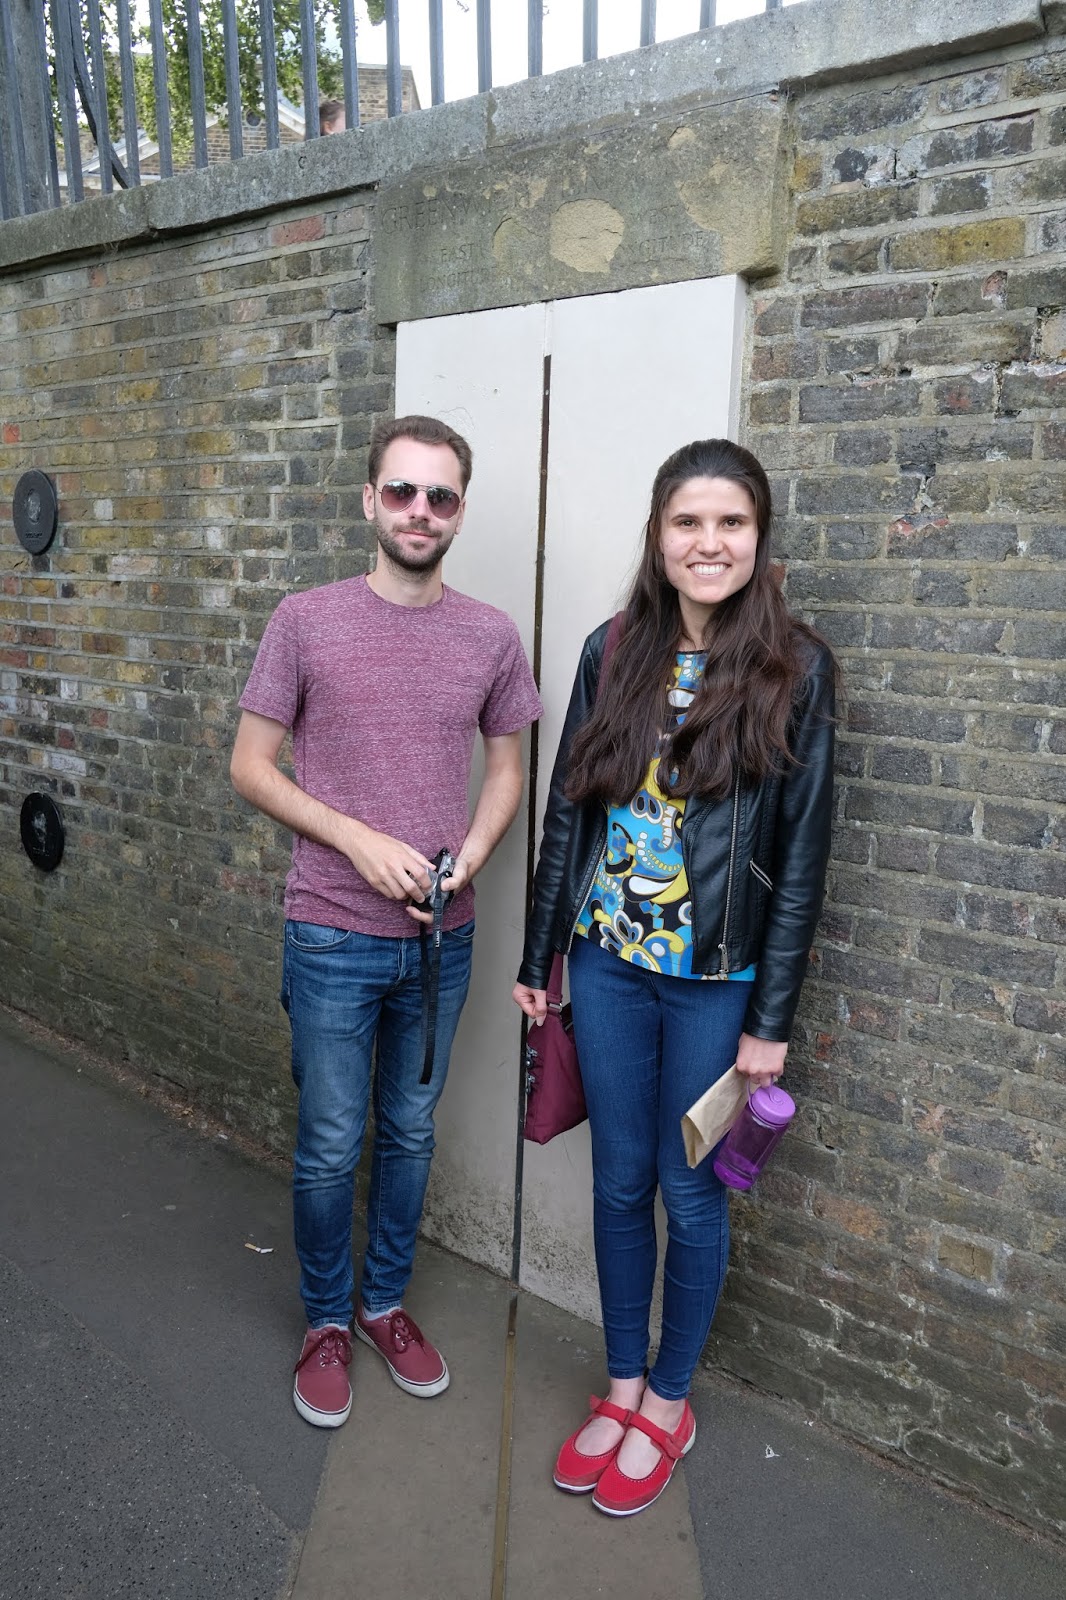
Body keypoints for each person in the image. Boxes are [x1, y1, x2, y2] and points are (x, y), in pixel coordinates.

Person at [513, 438, 836, 1517]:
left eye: (730, 523)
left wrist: (770, 1023)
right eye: (687, 522)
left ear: (758, 537)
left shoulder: (797, 666)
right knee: (618, 1183)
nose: (708, 543)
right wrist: (538, 958)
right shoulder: (613, 650)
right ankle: (617, 1385)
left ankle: (669, 1398)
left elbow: (801, 862)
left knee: (691, 1199)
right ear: (659, 536)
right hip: (605, 971)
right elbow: (569, 814)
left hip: (714, 985)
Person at [233, 414, 542, 1428]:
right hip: (328, 931)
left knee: (408, 1131)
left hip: (438, 942)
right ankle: (325, 1320)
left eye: (440, 495)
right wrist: (356, 838)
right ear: (369, 500)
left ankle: (383, 1303)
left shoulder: (491, 634)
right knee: (330, 1139)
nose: (419, 510)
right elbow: (250, 764)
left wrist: (478, 854)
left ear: (460, 511)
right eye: (401, 492)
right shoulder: (306, 619)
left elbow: (507, 767)